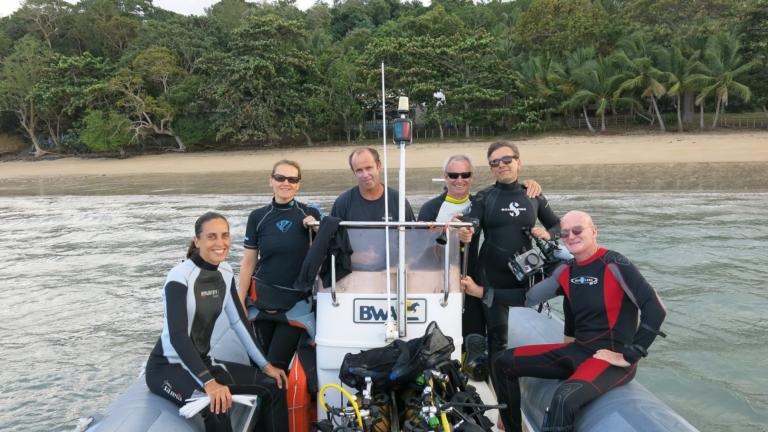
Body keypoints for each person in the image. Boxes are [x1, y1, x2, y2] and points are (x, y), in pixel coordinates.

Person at [461, 210, 667, 432]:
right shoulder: (567, 272)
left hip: (610, 359)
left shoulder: (614, 263)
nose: (571, 236)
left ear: (594, 231)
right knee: (503, 362)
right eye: (565, 233)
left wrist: (631, 354)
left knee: (564, 398)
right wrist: (480, 291)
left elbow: (655, 308)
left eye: (578, 230)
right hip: (579, 350)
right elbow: (527, 297)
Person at [145, 212, 288, 432]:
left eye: (225, 235)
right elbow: (178, 335)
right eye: (212, 236)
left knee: (273, 386)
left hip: (203, 361)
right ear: (197, 241)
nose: (220, 243)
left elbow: (238, 322)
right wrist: (208, 383)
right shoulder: (179, 277)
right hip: (167, 367)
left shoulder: (225, 271)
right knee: (217, 404)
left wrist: (265, 365)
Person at [418, 154, 543, 348]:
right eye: (453, 175)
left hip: (471, 278)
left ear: (472, 177)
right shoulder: (431, 208)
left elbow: (506, 201)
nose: (460, 180)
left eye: (465, 174)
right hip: (438, 279)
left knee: (473, 334)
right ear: (445, 177)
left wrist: (527, 185)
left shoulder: (481, 202)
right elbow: (420, 248)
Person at [459, 141, 560, 366]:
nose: (501, 165)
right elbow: (471, 224)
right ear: (491, 168)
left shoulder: (533, 194)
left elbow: (557, 225)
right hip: (491, 277)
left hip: (523, 277)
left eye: (507, 160)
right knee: (498, 343)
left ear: (518, 162)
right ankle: (499, 392)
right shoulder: (485, 197)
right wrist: (465, 232)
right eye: (495, 162)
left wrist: (548, 234)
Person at [239, 160, 321, 371]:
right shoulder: (258, 217)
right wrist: (240, 301)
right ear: (271, 180)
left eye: (292, 179)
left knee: (276, 365)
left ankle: (278, 403)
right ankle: (261, 403)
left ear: (298, 185)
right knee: (257, 363)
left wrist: (316, 228)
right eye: (280, 178)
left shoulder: (309, 215)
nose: (286, 183)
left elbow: (328, 249)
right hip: (261, 300)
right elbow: (248, 262)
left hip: (294, 302)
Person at [330, 147, 414, 222]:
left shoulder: (399, 201)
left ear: (378, 166)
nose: (365, 175)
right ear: (354, 172)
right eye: (359, 170)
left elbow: (413, 234)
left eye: (368, 168)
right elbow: (330, 236)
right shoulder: (342, 203)